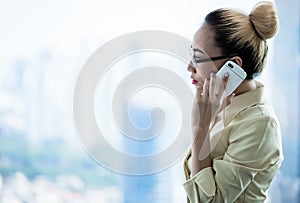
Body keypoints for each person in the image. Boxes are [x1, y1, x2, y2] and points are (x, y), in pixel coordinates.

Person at [183, 1, 284, 202]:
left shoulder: (260, 125)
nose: (189, 67)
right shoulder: (221, 104)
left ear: (233, 66)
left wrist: (200, 128)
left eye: (198, 58)